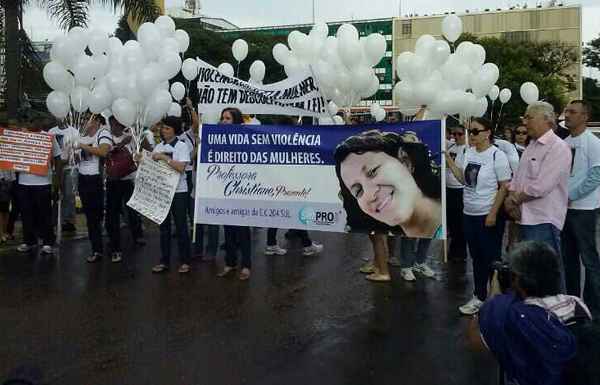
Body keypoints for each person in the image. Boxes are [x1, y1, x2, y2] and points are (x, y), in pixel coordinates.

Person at [478, 241, 592, 385]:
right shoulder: (576, 303)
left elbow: (475, 342)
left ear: (518, 280)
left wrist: (494, 294)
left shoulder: (510, 315)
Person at [446, 117, 512, 315]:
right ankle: (479, 295)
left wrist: (492, 213)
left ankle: (495, 299)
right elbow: (463, 179)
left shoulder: (496, 155)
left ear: (487, 133)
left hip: (488, 214)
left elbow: (504, 186)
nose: (471, 136)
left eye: (475, 131)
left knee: (491, 257)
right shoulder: (468, 152)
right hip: (469, 213)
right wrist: (448, 159)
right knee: (476, 257)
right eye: (469, 131)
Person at [334, 130, 442, 239]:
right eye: (358, 191)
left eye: (372, 171)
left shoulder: (452, 223)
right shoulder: (395, 246)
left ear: (405, 161)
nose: (370, 194)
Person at [505, 101, 571, 260]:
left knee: (545, 274)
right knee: (528, 273)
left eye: (529, 117)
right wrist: (511, 199)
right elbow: (517, 178)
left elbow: (542, 186)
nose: (525, 122)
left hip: (542, 220)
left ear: (546, 119)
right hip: (523, 218)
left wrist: (514, 200)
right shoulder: (532, 145)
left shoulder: (558, 147)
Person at [561, 100, 600, 318]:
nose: (567, 115)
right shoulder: (565, 142)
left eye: (572, 112)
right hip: (564, 209)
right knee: (568, 259)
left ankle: (594, 308)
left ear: (585, 116)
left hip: (584, 209)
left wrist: (571, 196)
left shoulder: (592, 143)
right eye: (567, 111)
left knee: (589, 259)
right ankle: (573, 304)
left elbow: (596, 175)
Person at [216, 108, 253, 280]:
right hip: (224, 191)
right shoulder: (216, 139)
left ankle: (246, 265)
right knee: (228, 230)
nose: (224, 121)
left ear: (236, 121)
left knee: (242, 231)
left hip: (241, 191)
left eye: (228, 118)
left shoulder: (246, 139)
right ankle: (230, 263)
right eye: (222, 118)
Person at [151, 116, 191, 274]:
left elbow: (181, 168)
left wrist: (164, 158)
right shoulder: (159, 146)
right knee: (164, 228)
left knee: (181, 227)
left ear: (175, 130)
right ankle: (164, 261)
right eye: (163, 128)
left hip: (179, 191)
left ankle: (185, 261)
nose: (163, 130)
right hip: (163, 191)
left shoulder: (181, 146)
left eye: (167, 128)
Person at [16, 119, 62, 255]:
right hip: (23, 182)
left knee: (45, 215)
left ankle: (48, 242)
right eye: (28, 122)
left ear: (39, 124)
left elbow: (58, 158)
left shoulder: (48, 138)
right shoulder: (21, 137)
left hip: (43, 183)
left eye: (32, 122)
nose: (30, 124)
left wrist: (57, 180)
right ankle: (29, 241)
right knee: (26, 214)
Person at [105, 116, 145, 263]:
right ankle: (115, 245)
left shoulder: (131, 137)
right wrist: (122, 144)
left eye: (118, 123)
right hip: (112, 181)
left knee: (131, 210)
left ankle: (137, 234)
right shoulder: (106, 136)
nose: (116, 126)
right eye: (113, 123)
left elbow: (141, 152)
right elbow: (105, 153)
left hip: (128, 180)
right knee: (112, 215)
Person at [76, 114, 111, 262]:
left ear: (96, 121)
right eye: (84, 119)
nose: (85, 122)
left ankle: (99, 249)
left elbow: (103, 152)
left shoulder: (102, 133)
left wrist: (83, 146)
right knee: (90, 216)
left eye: (88, 119)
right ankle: (96, 248)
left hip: (96, 179)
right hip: (82, 178)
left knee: (95, 216)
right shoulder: (80, 135)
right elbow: (73, 159)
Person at [48, 120, 79, 233]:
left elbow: (77, 152)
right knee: (54, 195)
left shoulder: (74, 132)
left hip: (70, 167)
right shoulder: (52, 131)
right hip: (54, 168)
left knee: (69, 194)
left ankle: (68, 221)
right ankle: (52, 220)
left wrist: (69, 159)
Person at [446, 125, 467, 261]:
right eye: (454, 134)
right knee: (451, 221)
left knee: (460, 223)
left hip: (460, 189)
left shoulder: (468, 150)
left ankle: (460, 252)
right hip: (448, 189)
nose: (456, 136)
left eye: (459, 134)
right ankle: (453, 249)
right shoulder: (451, 147)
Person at [0, 170, 15, 244]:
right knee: (1, 211)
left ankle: (4, 232)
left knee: (5, 210)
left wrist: (12, 179)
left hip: (8, 181)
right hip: (3, 180)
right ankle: (1, 234)